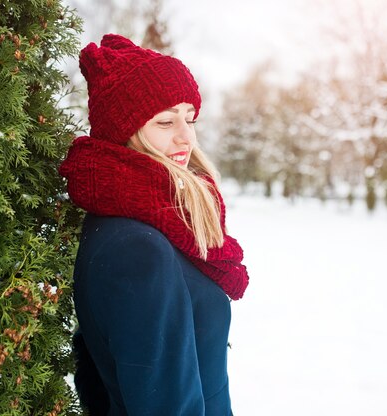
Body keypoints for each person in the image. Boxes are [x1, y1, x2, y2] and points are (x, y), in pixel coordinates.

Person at [59, 34, 249, 415]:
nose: (186, 137)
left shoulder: (154, 220)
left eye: (189, 118)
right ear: (123, 131)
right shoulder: (136, 248)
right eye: (165, 121)